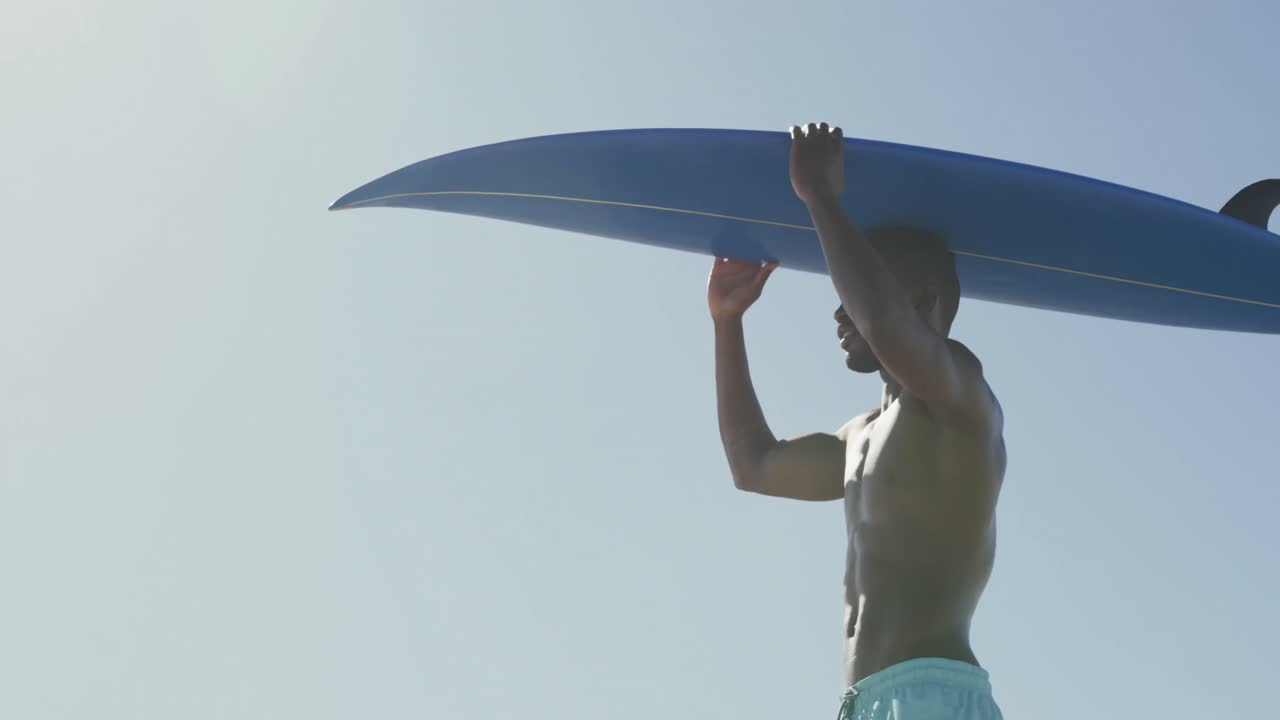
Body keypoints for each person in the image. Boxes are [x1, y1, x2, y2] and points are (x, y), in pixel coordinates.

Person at [708, 122, 1006, 719]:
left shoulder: (961, 398)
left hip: (930, 698)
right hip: (860, 704)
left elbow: (884, 323)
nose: (839, 309)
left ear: (921, 301)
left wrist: (819, 195)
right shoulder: (860, 438)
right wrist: (727, 322)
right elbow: (753, 465)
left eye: (860, 289)